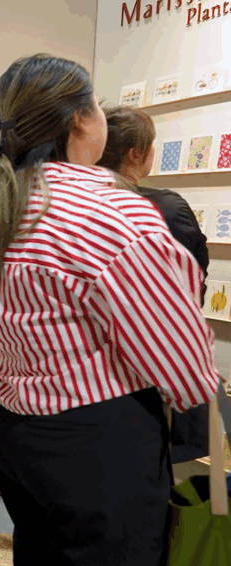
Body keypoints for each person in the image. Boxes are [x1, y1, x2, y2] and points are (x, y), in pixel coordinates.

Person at [0, 54, 220, 566]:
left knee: (41, 560)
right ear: (80, 119)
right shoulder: (113, 211)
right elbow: (186, 373)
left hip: (15, 435)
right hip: (99, 444)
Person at [97, 104, 211, 465]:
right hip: (150, 381)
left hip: (86, 386)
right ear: (136, 153)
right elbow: (191, 292)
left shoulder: (67, 205)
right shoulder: (163, 207)